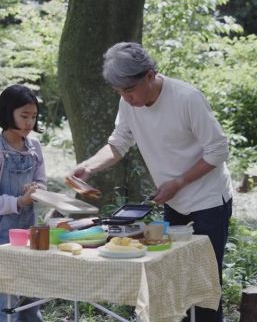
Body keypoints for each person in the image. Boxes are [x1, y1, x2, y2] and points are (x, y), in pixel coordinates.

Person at [71, 42, 233, 322]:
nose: (126, 98)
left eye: (129, 90)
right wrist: (87, 167)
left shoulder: (187, 98)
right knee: (170, 280)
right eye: (119, 92)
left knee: (203, 283)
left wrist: (180, 181)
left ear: (150, 75)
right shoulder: (128, 102)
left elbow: (218, 150)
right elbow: (118, 143)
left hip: (208, 201)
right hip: (174, 201)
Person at [0, 84, 46, 322]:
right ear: (8, 114)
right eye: (24, 116)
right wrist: (18, 201)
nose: (29, 123)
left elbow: (41, 181)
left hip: (28, 229)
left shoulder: (34, 147)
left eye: (34, 116)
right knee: (2, 299)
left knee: (30, 295)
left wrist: (36, 190)